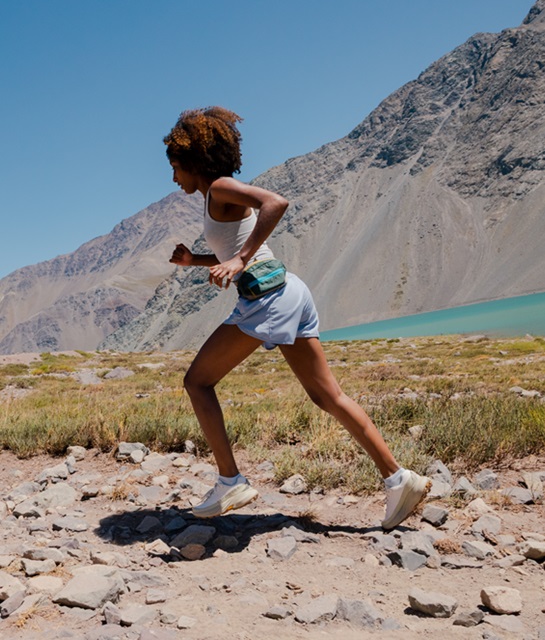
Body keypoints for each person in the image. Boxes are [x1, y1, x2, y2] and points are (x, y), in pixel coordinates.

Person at [164, 106, 430, 529]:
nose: (174, 177)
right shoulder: (217, 196)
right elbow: (232, 249)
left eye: (176, 167)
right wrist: (195, 260)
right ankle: (400, 480)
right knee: (328, 397)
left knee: (197, 382)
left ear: (192, 160)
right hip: (288, 291)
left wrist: (239, 259)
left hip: (268, 299)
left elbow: (276, 203)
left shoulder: (220, 187)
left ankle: (230, 481)